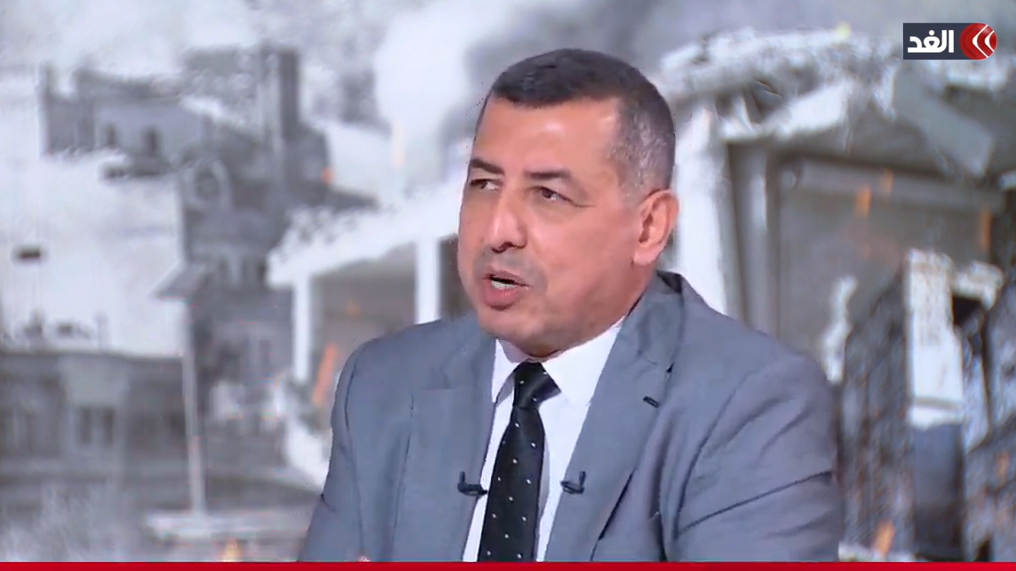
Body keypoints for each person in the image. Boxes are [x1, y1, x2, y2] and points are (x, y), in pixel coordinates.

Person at [299, 48, 841, 562]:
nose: (498, 230)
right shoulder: (383, 386)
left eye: (548, 195)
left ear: (648, 228)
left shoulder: (753, 405)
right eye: (484, 184)